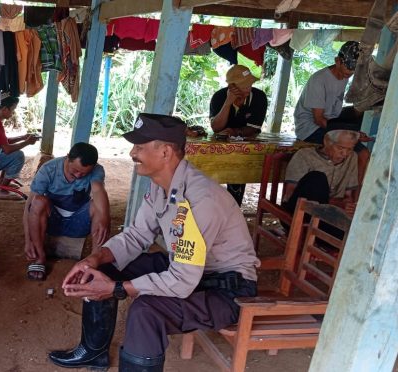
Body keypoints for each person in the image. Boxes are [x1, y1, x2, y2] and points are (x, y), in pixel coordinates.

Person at [48, 113, 260, 371]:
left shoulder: (201, 199)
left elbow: (182, 280)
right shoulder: (161, 186)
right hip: (189, 269)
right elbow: (137, 235)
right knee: (102, 270)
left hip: (226, 290)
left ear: (166, 152)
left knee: (147, 311)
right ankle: (94, 353)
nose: (132, 153)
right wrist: (95, 258)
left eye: (140, 146)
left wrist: (117, 288)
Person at [23, 142, 110, 281]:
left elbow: (99, 190)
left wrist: (105, 219)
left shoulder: (97, 170)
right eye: (75, 170)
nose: (79, 175)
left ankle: (95, 262)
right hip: (53, 221)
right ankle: (40, 258)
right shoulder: (48, 169)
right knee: (38, 201)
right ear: (67, 157)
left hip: (78, 221)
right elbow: (29, 207)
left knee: (100, 206)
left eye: (84, 173)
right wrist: (28, 241)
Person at [294, 41, 370, 187]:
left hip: (330, 127)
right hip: (310, 129)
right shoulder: (319, 80)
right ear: (337, 61)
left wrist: (354, 133)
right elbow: (318, 119)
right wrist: (350, 135)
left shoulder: (343, 78)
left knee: (362, 153)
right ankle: (348, 194)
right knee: (359, 153)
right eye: (347, 71)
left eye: (352, 72)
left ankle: (354, 195)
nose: (348, 75)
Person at [209, 64, 268, 206]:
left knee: (240, 172)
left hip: (244, 150)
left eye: (250, 84)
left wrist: (235, 132)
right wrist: (228, 103)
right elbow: (216, 127)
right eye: (244, 85)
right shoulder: (219, 97)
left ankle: (234, 207)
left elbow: (253, 128)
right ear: (231, 86)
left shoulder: (259, 97)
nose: (248, 88)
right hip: (219, 150)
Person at [283, 128, 360, 217]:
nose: (345, 154)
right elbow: (290, 194)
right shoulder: (304, 155)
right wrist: (336, 204)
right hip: (299, 213)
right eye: (340, 148)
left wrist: (348, 205)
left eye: (350, 149)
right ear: (327, 141)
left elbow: (348, 195)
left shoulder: (352, 157)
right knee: (317, 177)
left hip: (329, 216)